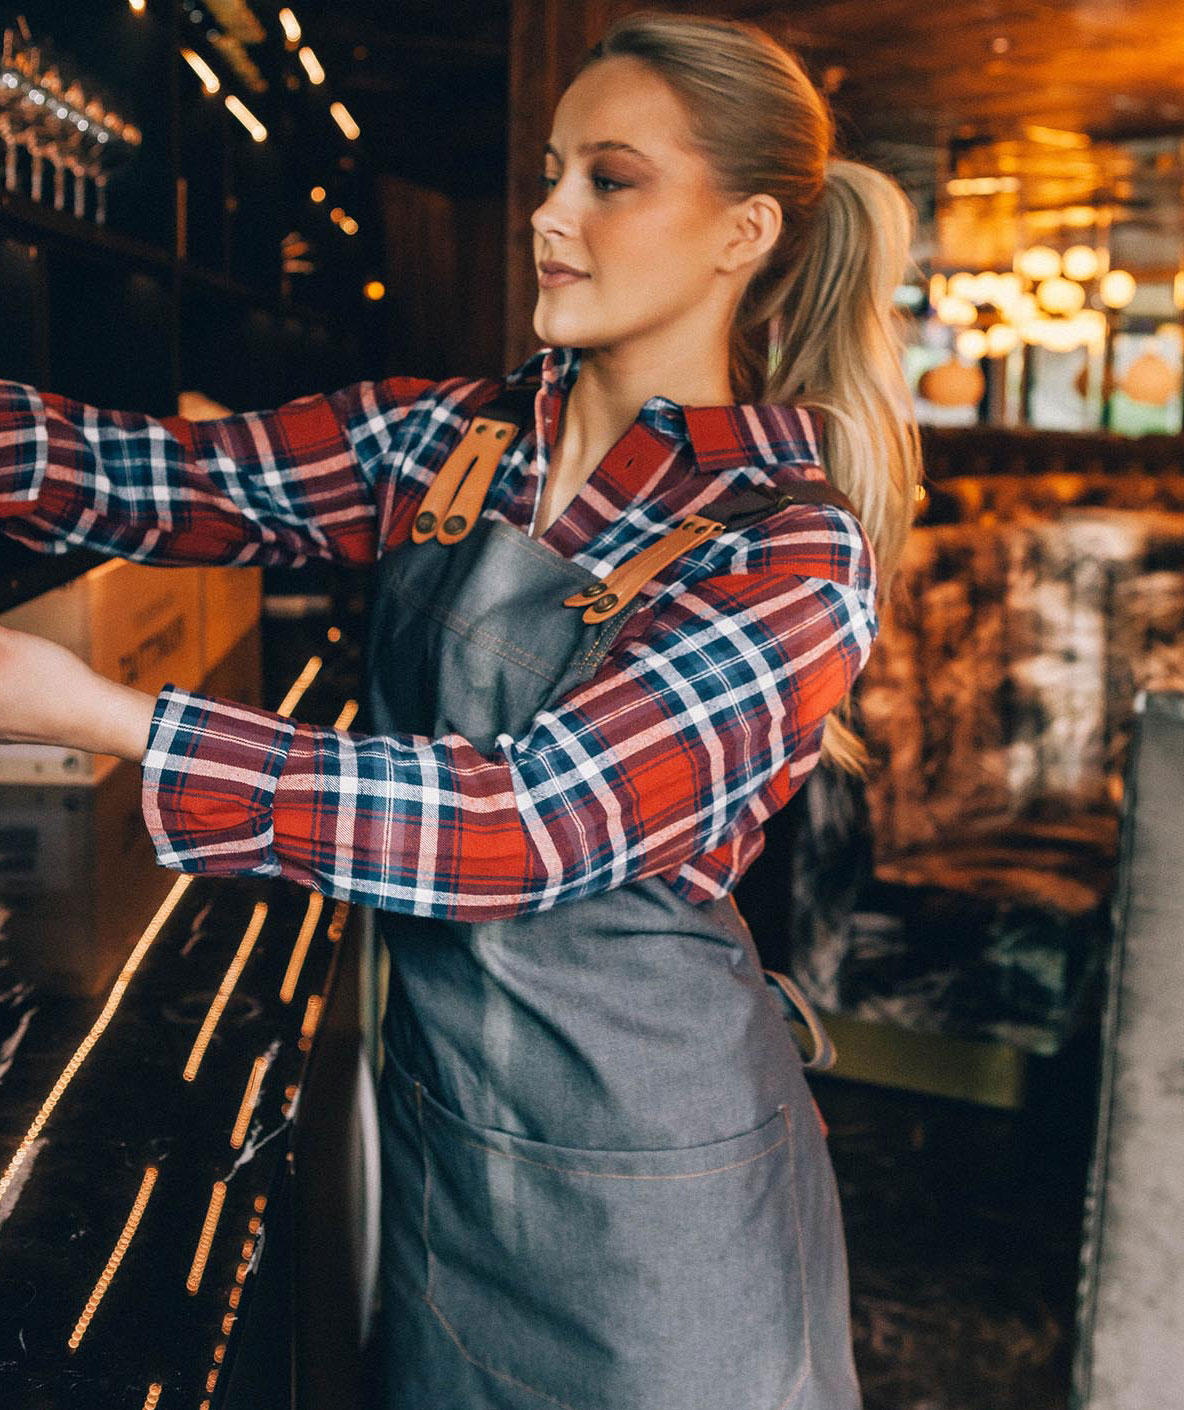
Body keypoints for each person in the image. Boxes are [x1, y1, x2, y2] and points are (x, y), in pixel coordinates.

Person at [0, 10, 921, 1408]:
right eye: (553, 170)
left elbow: (515, 824)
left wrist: (110, 712)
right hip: (457, 1156)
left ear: (745, 233)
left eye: (609, 180)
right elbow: (163, 476)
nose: (547, 215)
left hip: (654, 1200)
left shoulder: (787, 548)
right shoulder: (458, 439)